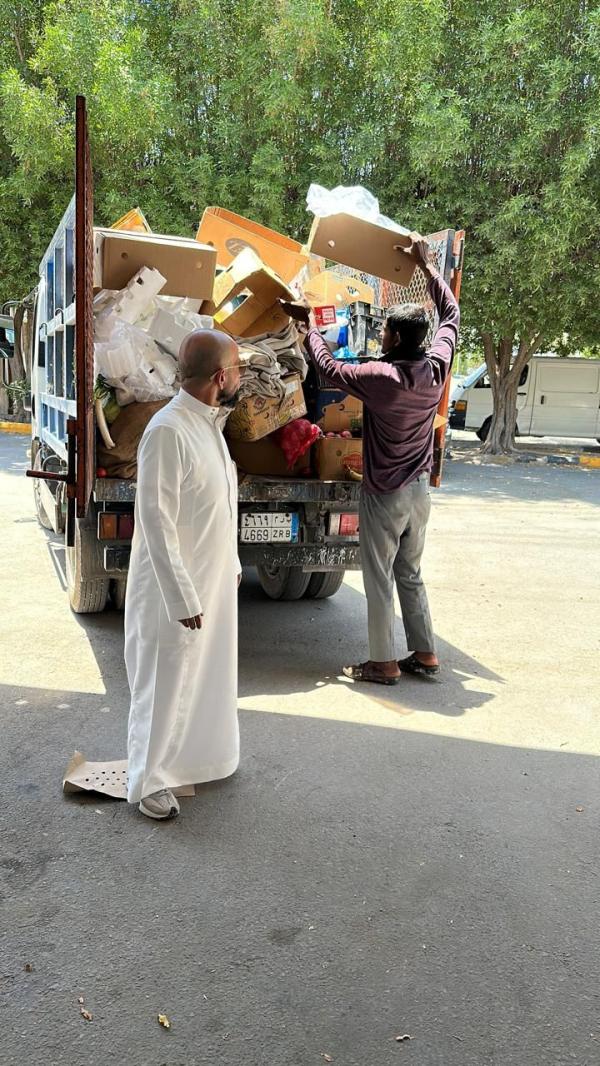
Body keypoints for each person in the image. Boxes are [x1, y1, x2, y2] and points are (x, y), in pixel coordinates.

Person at [300, 233, 460, 685]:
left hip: (385, 493)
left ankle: (383, 663)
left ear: (394, 337)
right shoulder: (435, 368)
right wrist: (427, 267)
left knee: (378, 578)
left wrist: (308, 328)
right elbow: (451, 313)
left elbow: (329, 368)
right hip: (419, 491)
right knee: (410, 572)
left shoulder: (380, 376)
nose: (382, 335)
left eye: (386, 330)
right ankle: (425, 653)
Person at [125, 330, 243, 819]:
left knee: (203, 675)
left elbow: (222, 507)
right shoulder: (168, 429)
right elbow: (156, 516)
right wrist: (180, 595)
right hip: (174, 590)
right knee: (164, 680)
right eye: (237, 367)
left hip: (210, 580)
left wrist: (231, 565)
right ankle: (147, 781)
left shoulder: (207, 424)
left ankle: (195, 760)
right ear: (220, 377)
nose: (241, 375)